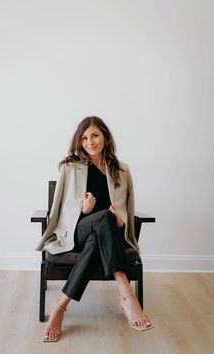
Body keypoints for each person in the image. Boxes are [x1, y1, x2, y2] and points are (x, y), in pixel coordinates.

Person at [36, 116, 153, 342]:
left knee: (104, 226)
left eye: (95, 135)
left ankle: (60, 307)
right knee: (101, 221)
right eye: (85, 138)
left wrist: (120, 222)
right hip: (79, 230)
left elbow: (127, 211)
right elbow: (61, 210)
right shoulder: (71, 168)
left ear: (105, 137)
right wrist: (85, 211)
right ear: (80, 142)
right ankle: (126, 292)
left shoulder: (122, 170)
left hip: (109, 233)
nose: (90, 142)